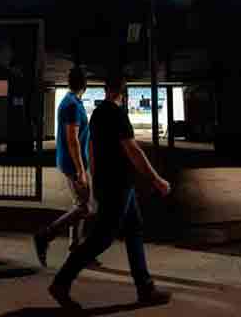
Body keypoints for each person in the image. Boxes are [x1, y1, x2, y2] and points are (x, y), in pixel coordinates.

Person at [49, 72, 172, 309]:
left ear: (106, 89)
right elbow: (133, 150)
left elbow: (92, 149)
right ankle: (61, 283)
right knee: (101, 239)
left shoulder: (97, 114)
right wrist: (156, 180)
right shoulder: (117, 114)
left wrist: (94, 178)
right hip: (119, 186)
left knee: (134, 230)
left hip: (110, 184)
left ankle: (145, 287)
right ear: (122, 94)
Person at [35, 66, 93, 266]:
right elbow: (72, 139)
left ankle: (75, 249)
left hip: (70, 162)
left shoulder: (70, 102)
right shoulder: (72, 105)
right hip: (73, 165)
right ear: (84, 85)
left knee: (80, 205)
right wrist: (80, 171)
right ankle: (45, 235)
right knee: (85, 207)